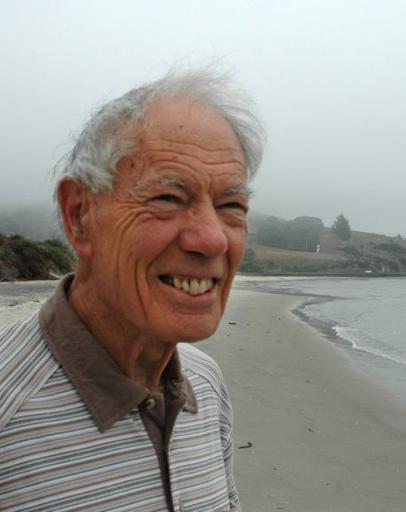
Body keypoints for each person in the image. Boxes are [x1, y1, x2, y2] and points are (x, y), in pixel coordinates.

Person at [0, 67, 264, 512]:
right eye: (167, 198)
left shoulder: (206, 385)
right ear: (79, 215)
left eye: (231, 206)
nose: (213, 238)